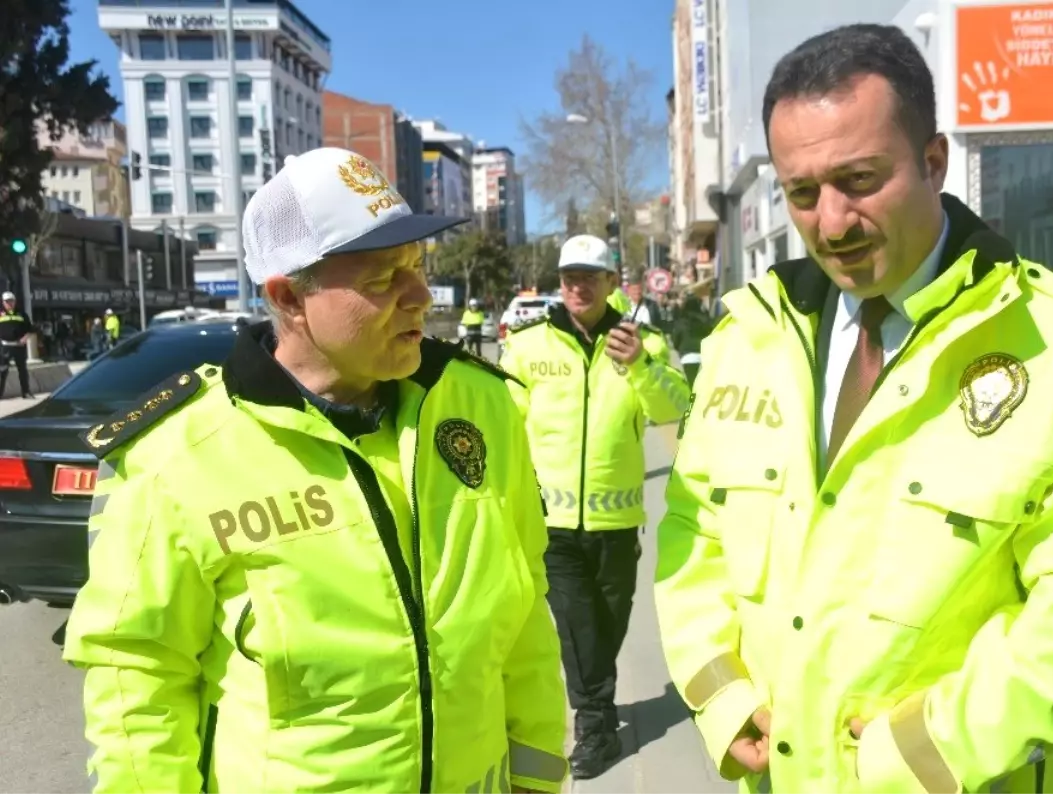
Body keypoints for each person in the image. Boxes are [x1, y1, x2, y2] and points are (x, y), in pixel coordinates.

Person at [654, 24, 1053, 794]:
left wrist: (931, 750)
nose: (830, 224)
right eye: (801, 194)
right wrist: (719, 697)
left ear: (934, 162)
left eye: (860, 180)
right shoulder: (750, 336)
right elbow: (693, 530)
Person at [63, 148, 568, 794]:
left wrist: (537, 781)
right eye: (384, 278)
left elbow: (523, 615)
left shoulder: (483, 408)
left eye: (417, 266)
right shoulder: (177, 456)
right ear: (288, 297)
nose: (420, 296)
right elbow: (136, 679)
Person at [500, 234, 690, 779]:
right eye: (568, 278)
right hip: (552, 522)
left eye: (588, 277)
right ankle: (595, 728)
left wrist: (640, 367)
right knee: (577, 626)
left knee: (608, 625)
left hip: (618, 519)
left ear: (611, 283)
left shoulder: (640, 343)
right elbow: (507, 419)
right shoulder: (529, 345)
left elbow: (674, 408)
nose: (577, 287)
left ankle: (597, 702)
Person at [670, 294, 713, 387]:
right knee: (703, 386)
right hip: (705, 357)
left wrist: (679, 349)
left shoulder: (682, 321)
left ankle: (692, 401)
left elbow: (675, 339)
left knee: (692, 386)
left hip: (688, 357)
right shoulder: (704, 320)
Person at [0, 291, 34, 399]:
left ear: (15, 301)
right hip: (5, 347)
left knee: (22, 370)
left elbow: (30, 329)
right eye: (7, 301)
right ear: (3, 302)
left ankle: (26, 392)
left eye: (11, 301)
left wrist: (25, 338)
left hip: (19, 347)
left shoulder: (22, 314)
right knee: (2, 370)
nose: (9, 303)